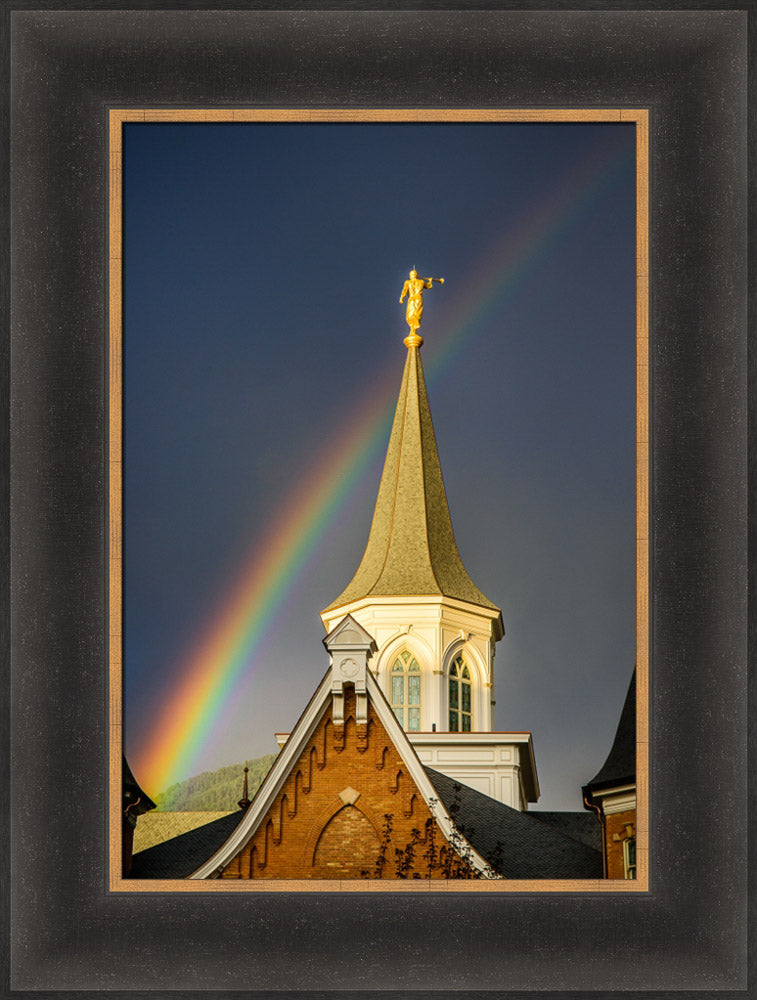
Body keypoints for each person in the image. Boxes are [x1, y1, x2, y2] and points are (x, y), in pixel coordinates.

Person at [399, 269, 444, 337]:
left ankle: (412, 330)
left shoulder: (408, 282)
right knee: (415, 314)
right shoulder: (421, 281)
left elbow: (404, 290)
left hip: (412, 299)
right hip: (418, 299)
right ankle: (413, 330)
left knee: (410, 315)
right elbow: (428, 286)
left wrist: (401, 297)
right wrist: (430, 281)